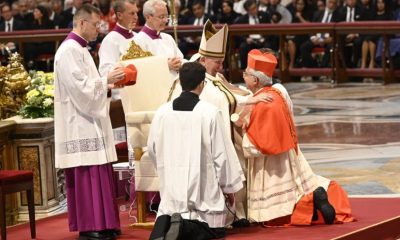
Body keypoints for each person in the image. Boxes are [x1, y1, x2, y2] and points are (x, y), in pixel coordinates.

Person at [238, 49, 354, 225]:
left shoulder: (261, 103)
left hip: (271, 164)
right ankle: (315, 197)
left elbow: (258, 143)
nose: (243, 76)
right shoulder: (276, 93)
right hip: (286, 151)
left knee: (275, 210)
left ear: (255, 80)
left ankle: (312, 203)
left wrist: (240, 134)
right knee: (296, 188)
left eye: (246, 73)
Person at [54, 5, 133, 240]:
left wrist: (108, 83)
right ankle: (90, 226)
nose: (100, 29)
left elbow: (90, 85)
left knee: (98, 172)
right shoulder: (68, 50)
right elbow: (81, 90)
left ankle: (105, 222)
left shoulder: (81, 49)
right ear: (82, 23)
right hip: (79, 123)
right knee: (88, 173)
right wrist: (105, 80)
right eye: (96, 24)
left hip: (90, 120)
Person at [148, 62, 244, 240]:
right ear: (202, 84)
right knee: (213, 230)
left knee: (171, 213)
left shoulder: (162, 112)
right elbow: (221, 156)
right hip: (204, 197)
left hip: (172, 194)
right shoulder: (209, 113)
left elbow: (152, 150)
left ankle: (169, 226)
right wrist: (228, 187)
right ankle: (184, 228)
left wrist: (166, 170)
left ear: (181, 82)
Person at [133, 0, 185, 81]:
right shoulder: (137, 41)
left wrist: (182, 64)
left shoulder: (168, 38)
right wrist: (165, 66)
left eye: (167, 16)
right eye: (161, 17)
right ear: (148, 17)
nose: (165, 20)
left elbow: (180, 60)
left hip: (174, 87)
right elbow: (139, 70)